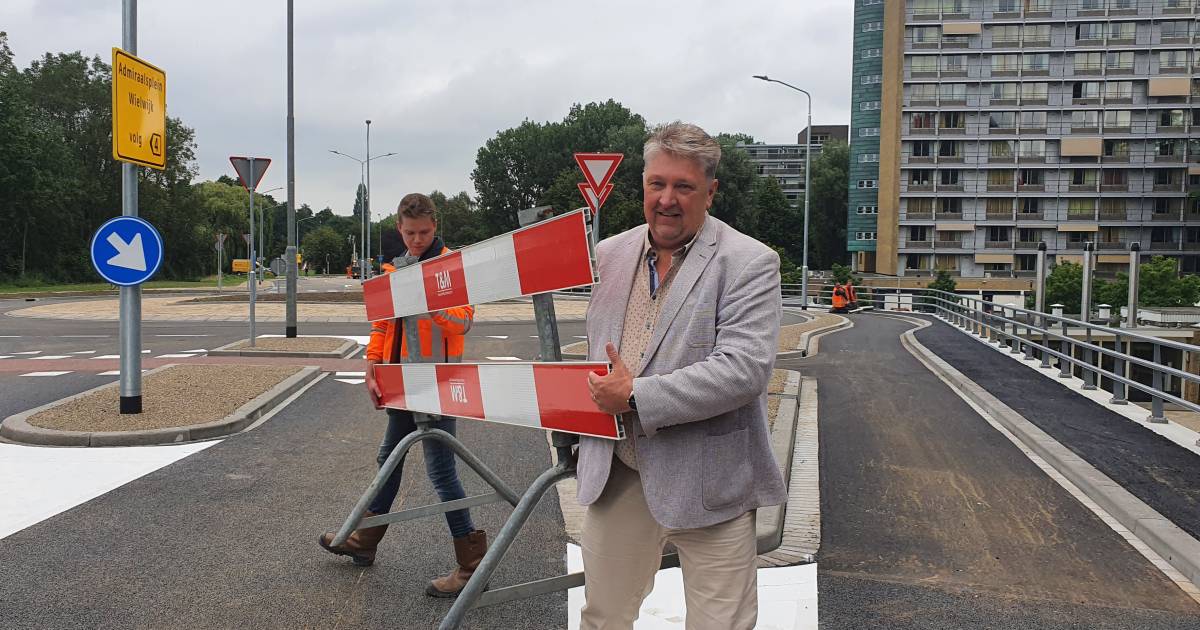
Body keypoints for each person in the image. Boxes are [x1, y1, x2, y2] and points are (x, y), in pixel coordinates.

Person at [581, 123, 787, 629]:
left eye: (684, 187)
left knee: (720, 623)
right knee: (603, 616)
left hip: (709, 479)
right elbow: (594, 354)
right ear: (644, 185)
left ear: (710, 192)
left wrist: (635, 395)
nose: (667, 200)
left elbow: (743, 370)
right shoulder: (609, 255)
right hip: (620, 470)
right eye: (657, 184)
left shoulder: (749, 263)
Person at [319, 192, 487, 599]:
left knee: (441, 471)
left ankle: (472, 564)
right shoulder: (394, 268)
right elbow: (383, 325)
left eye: (424, 232)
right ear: (399, 227)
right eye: (410, 232)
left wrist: (434, 308)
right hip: (398, 382)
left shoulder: (449, 265)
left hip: (436, 384)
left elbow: (463, 324)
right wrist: (371, 366)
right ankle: (365, 540)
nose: (416, 239)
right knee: (387, 459)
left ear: (435, 226)